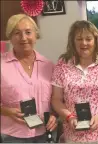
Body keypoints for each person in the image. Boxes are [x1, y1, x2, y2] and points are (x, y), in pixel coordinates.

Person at [51, 20, 98, 143]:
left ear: (95, 41)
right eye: (79, 39)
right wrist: (69, 117)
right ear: (72, 41)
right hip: (73, 136)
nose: (84, 43)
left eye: (88, 39)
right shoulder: (62, 63)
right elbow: (56, 99)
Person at [0, 14, 57, 143]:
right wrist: (7, 111)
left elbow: (57, 99)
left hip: (45, 133)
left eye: (28, 32)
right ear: (10, 37)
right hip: (12, 135)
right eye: (17, 33)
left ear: (36, 35)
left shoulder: (49, 65)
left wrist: (54, 115)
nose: (23, 38)